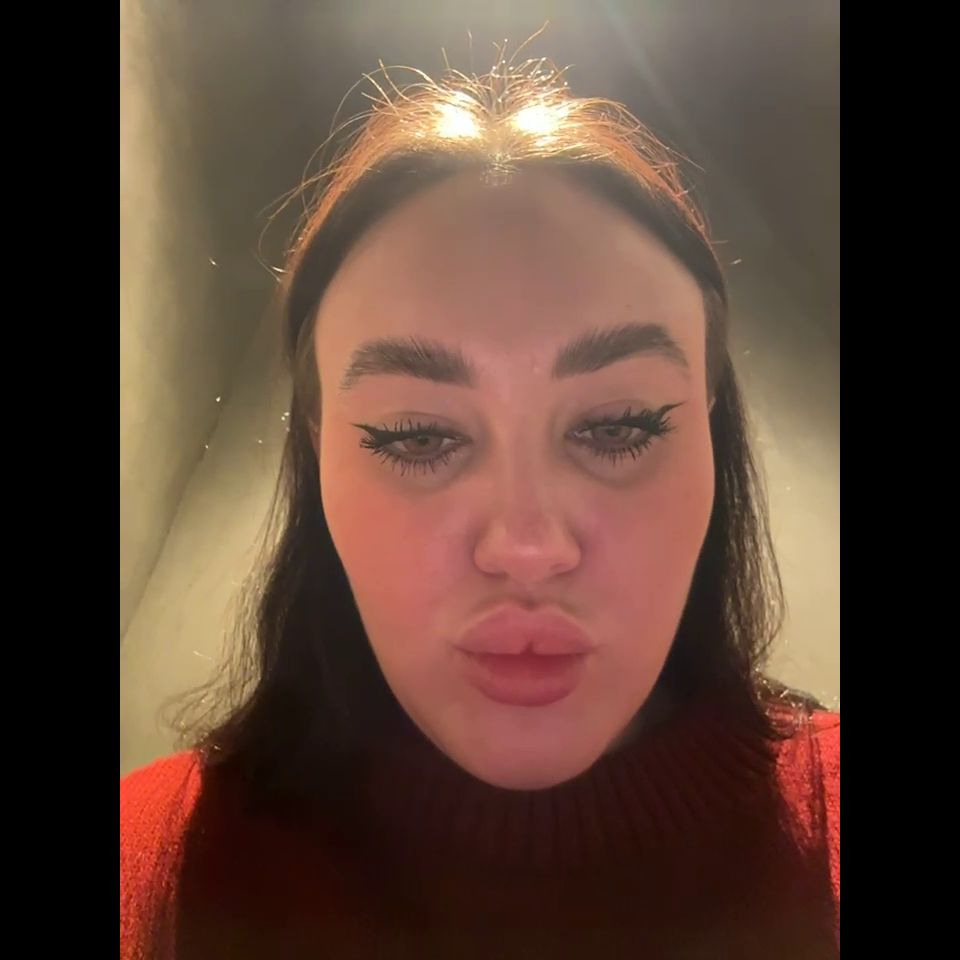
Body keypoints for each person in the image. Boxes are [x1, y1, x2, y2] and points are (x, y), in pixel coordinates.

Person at [120, 52, 839, 959]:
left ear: (709, 433)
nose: (527, 546)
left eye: (618, 426)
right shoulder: (148, 872)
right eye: (418, 436)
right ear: (318, 455)